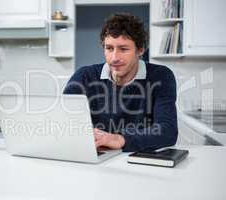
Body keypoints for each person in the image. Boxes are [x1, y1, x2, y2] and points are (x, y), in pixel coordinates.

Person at [63, 13, 178, 152]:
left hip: (139, 161)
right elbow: (63, 122)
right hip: (95, 158)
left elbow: (167, 131)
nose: (114, 58)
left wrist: (120, 139)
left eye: (123, 49)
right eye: (109, 48)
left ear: (140, 50)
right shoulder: (84, 76)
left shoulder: (160, 76)